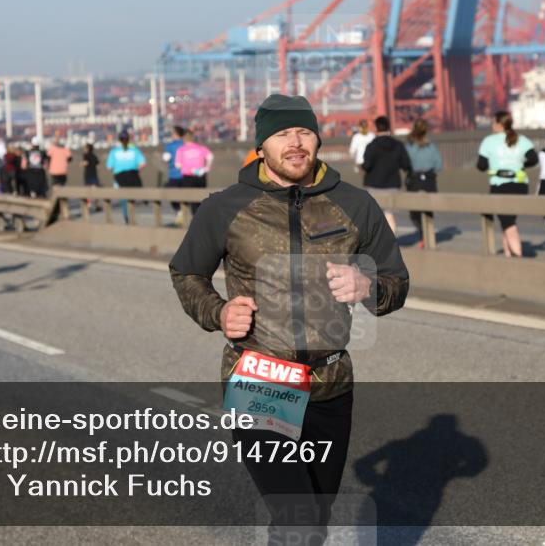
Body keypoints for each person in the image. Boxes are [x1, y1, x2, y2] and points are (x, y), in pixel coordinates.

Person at [170, 93, 409, 544]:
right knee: (299, 519)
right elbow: (187, 272)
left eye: (303, 132)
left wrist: (368, 286)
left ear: (317, 139)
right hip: (261, 378)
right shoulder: (226, 207)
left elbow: (397, 282)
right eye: (282, 134)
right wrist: (218, 311)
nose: (295, 143)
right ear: (261, 147)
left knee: (311, 520)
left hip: (330, 381)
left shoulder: (356, 205)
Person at [477, 111, 537, 258]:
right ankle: (508, 256)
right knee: (508, 220)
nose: (492, 125)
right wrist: (519, 166)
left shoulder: (488, 141)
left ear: (499, 124)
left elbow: (481, 165)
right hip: (520, 185)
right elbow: (533, 159)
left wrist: (495, 165)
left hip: (500, 185)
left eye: (493, 122)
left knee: (508, 224)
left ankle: (518, 257)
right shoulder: (522, 139)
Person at [362, 115, 411, 233]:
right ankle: (392, 239)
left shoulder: (372, 146)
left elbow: (366, 166)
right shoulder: (398, 145)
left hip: (374, 185)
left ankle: (378, 241)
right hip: (392, 185)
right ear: (388, 127)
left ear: (376, 128)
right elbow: (406, 165)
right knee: (389, 214)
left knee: (375, 216)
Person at [404, 119, 443, 248]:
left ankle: (423, 234)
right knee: (428, 210)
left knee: (414, 212)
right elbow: (439, 165)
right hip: (429, 179)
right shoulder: (431, 146)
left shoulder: (409, 146)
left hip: (414, 180)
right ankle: (428, 237)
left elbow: (405, 164)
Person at [106, 130, 146, 223]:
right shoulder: (135, 150)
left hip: (120, 177)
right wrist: (136, 170)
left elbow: (109, 167)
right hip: (133, 175)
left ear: (119, 140)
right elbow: (143, 163)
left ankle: (126, 217)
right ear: (128, 139)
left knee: (124, 197)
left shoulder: (114, 151)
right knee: (132, 196)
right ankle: (132, 217)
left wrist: (117, 170)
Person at [174, 130, 214, 214]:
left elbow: (177, 165)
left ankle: (195, 217)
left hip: (188, 176)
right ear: (192, 138)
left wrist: (186, 167)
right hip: (201, 175)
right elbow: (210, 157)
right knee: (201, 197)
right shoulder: (201, 148)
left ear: (184, 139)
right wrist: (207, 168)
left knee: (191, 199)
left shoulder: (181, 150)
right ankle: (203, 215)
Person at [163, 126, 186, 225]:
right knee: (185, 196)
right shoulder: (186, 144)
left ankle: (179, 212)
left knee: (172, 195)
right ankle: (184, 214)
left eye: (173, 133)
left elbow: (166, 158)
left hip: (174, 174)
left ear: (176, 134)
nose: (172, 135)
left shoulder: (170, 146)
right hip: (186, 174)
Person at [82, 143, 100, 212]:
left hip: (88, 174)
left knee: (88, 190)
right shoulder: (94, 155)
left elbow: (85, 163)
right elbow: (97, 165)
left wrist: (82, 164)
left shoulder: (85, 155)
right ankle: (96, 205)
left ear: (87, 148)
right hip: (94, 174)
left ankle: (89, 205)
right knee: (95, 190)